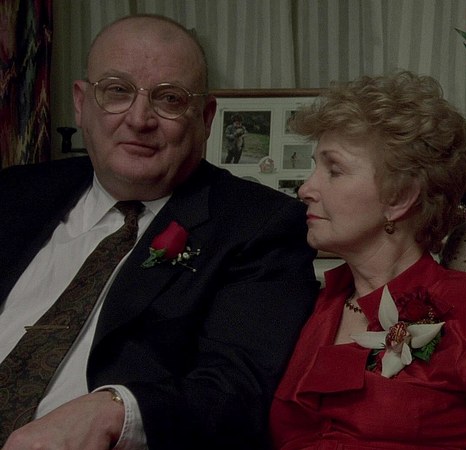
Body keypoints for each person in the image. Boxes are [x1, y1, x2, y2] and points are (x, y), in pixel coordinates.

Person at [0, 14, 319, 450]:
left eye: (169, 99)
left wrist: (114, 411)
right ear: (81, 102)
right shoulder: (14, 194)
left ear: (206, 117)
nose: (139, 119)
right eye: (117, 90)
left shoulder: (259, 226)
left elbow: (235, 391)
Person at [268, 71, 466, 449]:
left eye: (334, 170)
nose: (305, 189)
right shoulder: (315, 304)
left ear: (400, 198)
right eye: (314, 168)